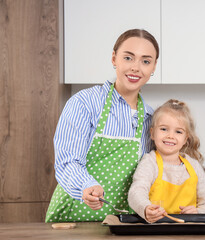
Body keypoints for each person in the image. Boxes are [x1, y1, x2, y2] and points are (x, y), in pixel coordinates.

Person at [45, 29, 159, 222]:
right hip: (74, 219)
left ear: (154, 67)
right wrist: (86, 186)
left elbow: (151, 174)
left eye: (146, 61)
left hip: (122, 222)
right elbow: (67, 161)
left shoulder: (151, 118)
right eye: (128, 58)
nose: (136, 68)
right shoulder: (85, 103)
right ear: (114, 58)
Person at [128, 99, 205, 223]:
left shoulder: (194, 166)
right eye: (164, 129)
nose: (170, 136)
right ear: (152, 133)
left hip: (189, 232)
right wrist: (146, 208)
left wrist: (197, 212)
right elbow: (136, 193)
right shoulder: (149, 162)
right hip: (155, 230)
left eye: (178, 131)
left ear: (186, 139)